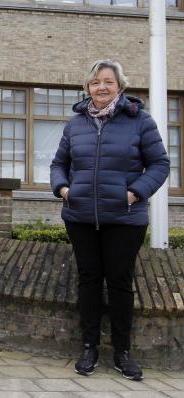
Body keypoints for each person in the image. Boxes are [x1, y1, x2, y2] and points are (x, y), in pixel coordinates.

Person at [50, 60, 169, 380]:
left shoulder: (140, 121)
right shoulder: (75, 124)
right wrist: (62, 188)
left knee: (119, 283)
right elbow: (59, 163)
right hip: (80, 216)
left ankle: (122, 352)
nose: (101, 87)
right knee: (88, 280)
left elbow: (159, 164)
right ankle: (88, 347)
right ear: (88, 87)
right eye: (95, 83)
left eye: (108, 82)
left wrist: (134, 193)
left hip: (125, 218)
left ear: (120, 86)